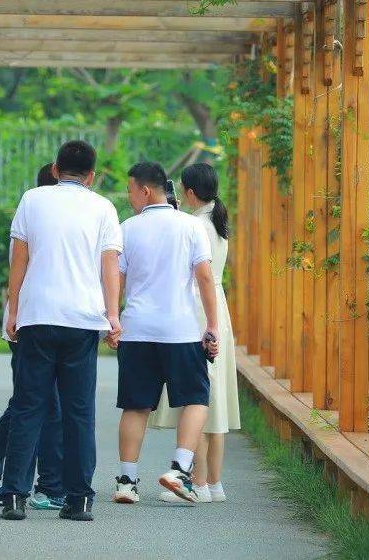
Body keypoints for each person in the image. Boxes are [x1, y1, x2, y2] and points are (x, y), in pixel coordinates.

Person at [0, 141, 123, 522]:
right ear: (92, 175)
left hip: (37, 316)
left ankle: (15, 498)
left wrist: (14, 308)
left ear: (55, 169)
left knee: (28, 407)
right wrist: (113, 317)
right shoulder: (103, 207)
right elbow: (110, 267)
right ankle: (79, 500)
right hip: (82, 320)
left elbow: (19, 258)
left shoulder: (32, 199)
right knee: (79, 413)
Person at [0, 163, 66, 510]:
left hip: (29, 321)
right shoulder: (42, 220)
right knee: (34, 405)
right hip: (29, 323)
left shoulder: (33, 217)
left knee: (36, 404)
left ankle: (28, 481)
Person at [113, 161, 219, 505]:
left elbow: (118, 280)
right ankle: (180, 469)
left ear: (145, 191)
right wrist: (212, 327)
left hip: (137, 329)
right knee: (197, 398)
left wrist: (112, 319)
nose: (129, 197)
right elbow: (205, 278)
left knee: (135, 406)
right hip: (180, 330)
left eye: (130, 190)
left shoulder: (127, 228)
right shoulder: (191, 226)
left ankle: (127, 483)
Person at [151, 162, 240, 503]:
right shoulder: (217, 221)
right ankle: (213, 483)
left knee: (197, 397)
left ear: (189, 192)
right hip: (217, 306)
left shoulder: (194, 225)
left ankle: (197, 484)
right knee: (214, 402)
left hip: (198, 308)